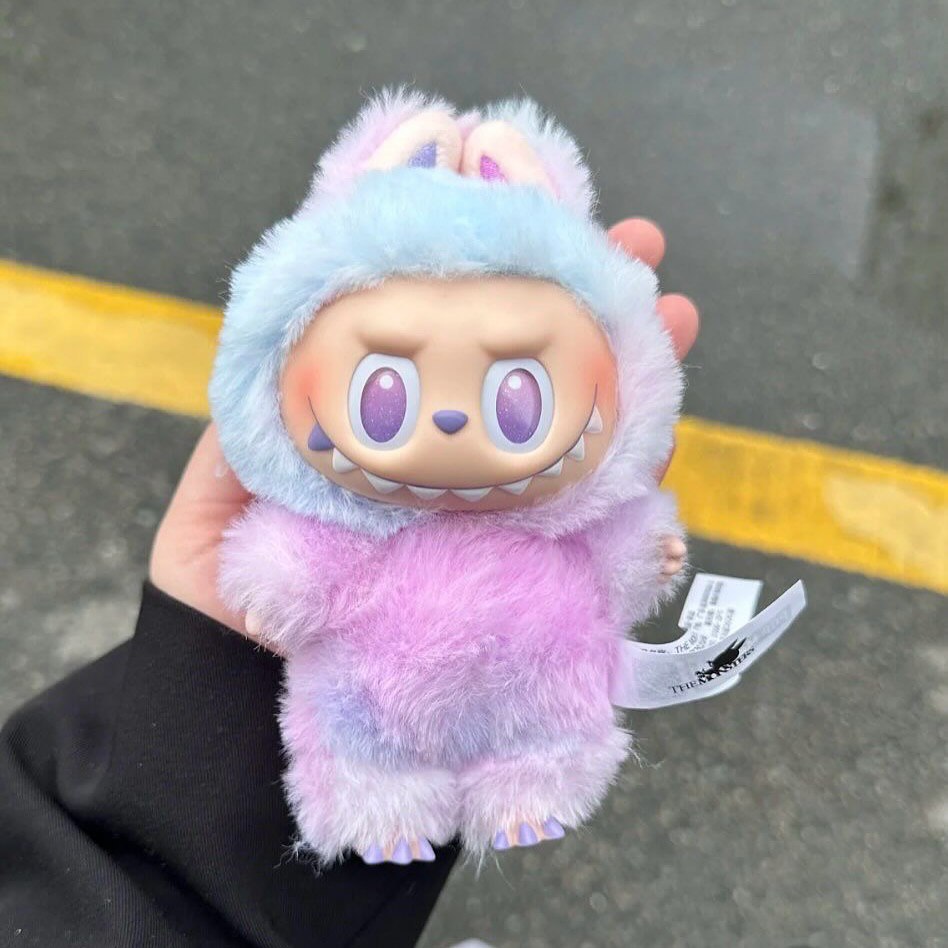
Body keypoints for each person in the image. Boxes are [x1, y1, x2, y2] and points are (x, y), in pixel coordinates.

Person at [0, 220, 698, 948]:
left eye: (515, 395)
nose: (450, 421)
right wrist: (257, 608)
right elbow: (289, 568)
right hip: (371, 705)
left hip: (530, 680)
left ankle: (533, 782)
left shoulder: (562, 520)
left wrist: (645, 552)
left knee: (546, 722)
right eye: (386, 393)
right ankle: (380, 808)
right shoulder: (347, 530)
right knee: (364, 748)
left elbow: (613, 557)